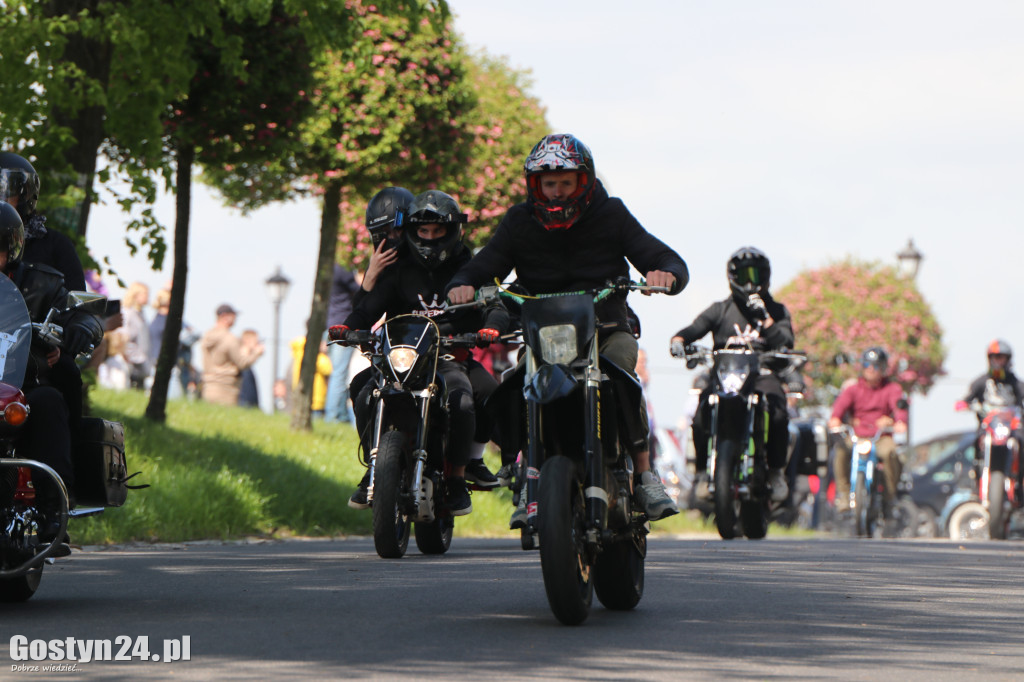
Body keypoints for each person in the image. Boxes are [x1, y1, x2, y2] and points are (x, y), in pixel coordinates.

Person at [447, 133, 687, 521]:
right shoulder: (519, 222)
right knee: (515, 384)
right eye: (549, 184)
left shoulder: (611, 214)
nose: (557, 192)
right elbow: (482, 266)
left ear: (584, 181)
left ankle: (644, 475)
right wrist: (461, 285)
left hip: (606, 331)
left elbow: (658, 254)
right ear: (535, 185)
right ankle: (526, 474)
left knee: (621, 374)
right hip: (544, 339)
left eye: (565, 183)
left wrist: (667, 273)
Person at [331, 190, 509, 516]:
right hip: (402, 361)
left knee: (471, 399)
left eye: (437, 231)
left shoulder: (470, 268)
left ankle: (459, 476)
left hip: (449, 359)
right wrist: (346, 328)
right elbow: (366, 309)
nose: (429, 238)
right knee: (361, 388)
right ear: (412, 231)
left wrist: (491, 327)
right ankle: (374, 466)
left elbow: (494, 305)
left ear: (453, 231)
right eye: (423, 231)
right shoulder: (398, 270)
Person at [0, 202, 103, 544]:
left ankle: (51, 512)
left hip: (20, 385)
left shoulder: (41, 282)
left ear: (10, 250)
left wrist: (82, 327)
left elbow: (76, 310)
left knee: (48, 402)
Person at [669, 246, 795, 503]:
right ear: (733, 277)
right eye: (746, 276)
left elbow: (786, 342)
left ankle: (775, 472)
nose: (751, 283)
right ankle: (703, 473)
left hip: (762, 374)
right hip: (724, 374)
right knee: (700, 412)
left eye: (757, 276)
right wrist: (679, 341)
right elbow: (694, 329)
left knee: (780, 411)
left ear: (767, 277)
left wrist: (766, 319)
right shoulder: (720, 309)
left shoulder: (777, 310)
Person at [828, 347, 907, 522]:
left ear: (883, 368)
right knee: (839, 450)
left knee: (891, 453)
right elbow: (839, 408)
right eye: (866, 364)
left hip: (880, 438)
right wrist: (835, 419)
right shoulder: (853, 389)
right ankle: (844, 495)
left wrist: (899, 422)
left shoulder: (892, 388)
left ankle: (889, 499)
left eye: (876, 366)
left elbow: (899, 408)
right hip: (857, 437)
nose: (870, 369)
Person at [0, 151, 86, 291]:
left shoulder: (56, 245)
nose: (1, 199)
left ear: (24, 196)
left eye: (7, 192)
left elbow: (76, 305)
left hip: (31, 313)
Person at [955, 340, 1024, 487]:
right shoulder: (982, 381)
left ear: (1008, 360)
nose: (998, 361)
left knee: (1021, 439)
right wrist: (963, 404)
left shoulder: (1014, 382)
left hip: (1011, 428)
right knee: (976, 441)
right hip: (989, 427)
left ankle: (1019, 480)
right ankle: (978, 477)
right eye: (995, 357)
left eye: (1002, 357)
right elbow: (967, 399)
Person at [200, 304, 264, 406]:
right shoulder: (230, 339)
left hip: (208, 388)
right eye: (234, 316)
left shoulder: (206, 336)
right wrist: (256, 353)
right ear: (225, 316)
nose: (235, 319)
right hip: (227, 390)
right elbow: (242, 363)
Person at [324, 264, 361, 423]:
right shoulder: (342, 269)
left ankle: (337, 415)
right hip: (342, 327)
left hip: (332, 325)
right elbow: (361, 292)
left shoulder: (329, 269)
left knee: (338, 373)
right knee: (340, 374)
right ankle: (333, 417)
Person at [290, 334, 332, 418]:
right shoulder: (315, 355)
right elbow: (327, 369)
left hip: (300, 395)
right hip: (316, 399)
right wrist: (324, 353)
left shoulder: (299, 350)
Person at [119, 281, 151, 390]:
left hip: (141, 360)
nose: (148, 297)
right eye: (145, 294)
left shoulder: (141, 314)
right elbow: (124, 336)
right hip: (132, 360)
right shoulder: (128, 313)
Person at [237, 329, 262, 409]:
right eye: (256, 342)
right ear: (247, 341)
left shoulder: (247, 364)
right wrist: (256, 354)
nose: (258, 345)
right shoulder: (241, 362)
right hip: (243, 404)